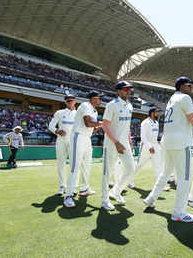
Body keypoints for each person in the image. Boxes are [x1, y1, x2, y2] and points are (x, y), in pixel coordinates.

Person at [144, 76, 193, 223]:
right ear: (181, 86)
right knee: (184, 178)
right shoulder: (185, 98)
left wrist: (192, 112)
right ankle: (178, 212)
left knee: (165, 173)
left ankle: (151, 198)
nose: (191, 88)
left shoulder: (172, 99)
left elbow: (182, 116)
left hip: (167, 141)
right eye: (189, 85)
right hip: (180, 142)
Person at [63, 91, 103, 208]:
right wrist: (102, 123)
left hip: (87, 138)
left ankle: (84, 189)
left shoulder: (94, 110)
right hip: (78, 136)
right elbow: (87, 123)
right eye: (99, 98)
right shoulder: (86, 105)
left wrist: (99, 126)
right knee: (75, 167)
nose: (100, 100)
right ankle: (68, 196)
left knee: (87, 165)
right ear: (92, 98)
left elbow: (92, 128)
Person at [101, 81, 135, 211]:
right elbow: (105, 125)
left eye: (129, 89)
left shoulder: (130, 106)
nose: (128, 91)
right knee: (107, 173)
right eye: (126, 89)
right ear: (119, 91)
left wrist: (129, 142)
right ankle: (105, 200)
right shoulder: (112, 105)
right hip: (111, 143)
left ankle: (115, 192)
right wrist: (116, 142)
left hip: (124, 143)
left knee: (131, 169)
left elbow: (127, 127)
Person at [128, 107, 170, 191]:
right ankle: (130, 182)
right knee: (139, 165)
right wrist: (149, 146)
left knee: (158, 166)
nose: (158, 113)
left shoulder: (157, 123)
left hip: (155, 146)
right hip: (146, 147)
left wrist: (156, 145)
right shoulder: (145, 122)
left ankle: (160, 186)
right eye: (157, 112)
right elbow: (143, 137)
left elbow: (155, 137)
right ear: (152, 113)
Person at [48, 93, 77, 195]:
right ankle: (62, 186)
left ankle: (73, 187)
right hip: (61, 140)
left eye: (71, 100)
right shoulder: (59, 112)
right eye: (68, 101)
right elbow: (51, 126)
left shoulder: (79, 114)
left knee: (74, 165)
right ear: (65, 102)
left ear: (75, 101)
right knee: (61, 163)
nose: (70, 102)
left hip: (74, 141)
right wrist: (57, 131)